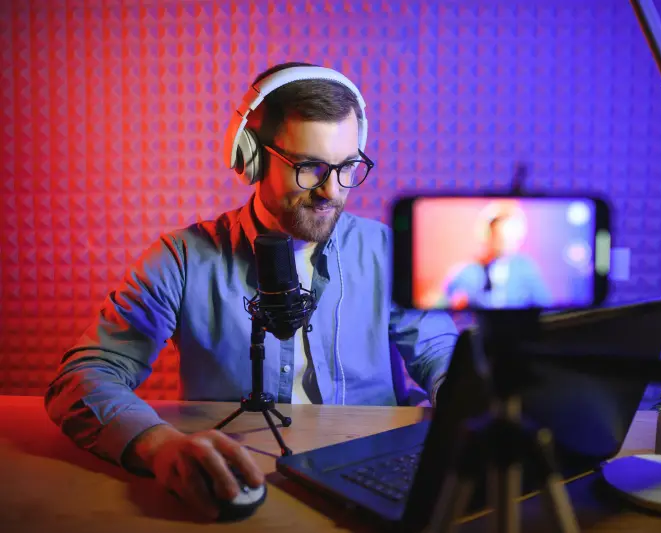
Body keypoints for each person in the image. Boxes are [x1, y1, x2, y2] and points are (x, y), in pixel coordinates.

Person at [44, 61, 458, 519]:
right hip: (241, 478)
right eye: (310, 167)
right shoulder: (182, 257)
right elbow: (83, 377)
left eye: (346, 167)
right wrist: (158, 445)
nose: (331, 191)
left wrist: (459, 396)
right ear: (253, 157)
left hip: (371, 477)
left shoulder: (386, 249)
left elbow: (440, 351)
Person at [442, 202, 552, 309]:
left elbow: (544, 306)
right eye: (499, 237)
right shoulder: (466, 272)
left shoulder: (525, 269)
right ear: (488, 234)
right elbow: (447, 305)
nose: (506, 243)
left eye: (511, 237)